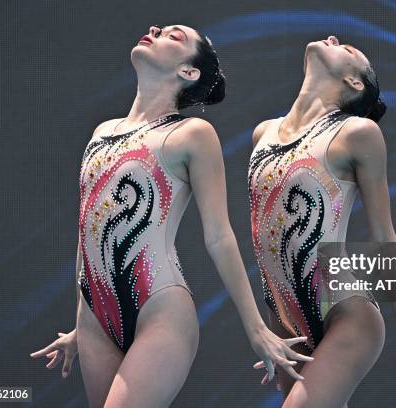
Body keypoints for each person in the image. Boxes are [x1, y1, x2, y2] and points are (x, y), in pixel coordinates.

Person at [30, 24, 313, 407]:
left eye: (173, 36)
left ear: (189, 72)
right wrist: (82, 319)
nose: (154, 29)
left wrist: (256, 328)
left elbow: (219, 235)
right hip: (94, 318)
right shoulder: (101, 132)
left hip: (160, 309)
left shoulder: (192, 134)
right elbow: (87, 229)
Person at [248, 35, 396, 407]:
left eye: (346, 48)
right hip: (284, 320)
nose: (332, 38)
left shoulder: (357, 133)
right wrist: (268, 328)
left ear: (354, 83)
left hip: (346, 313)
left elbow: (384, 236)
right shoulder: (263, 133)